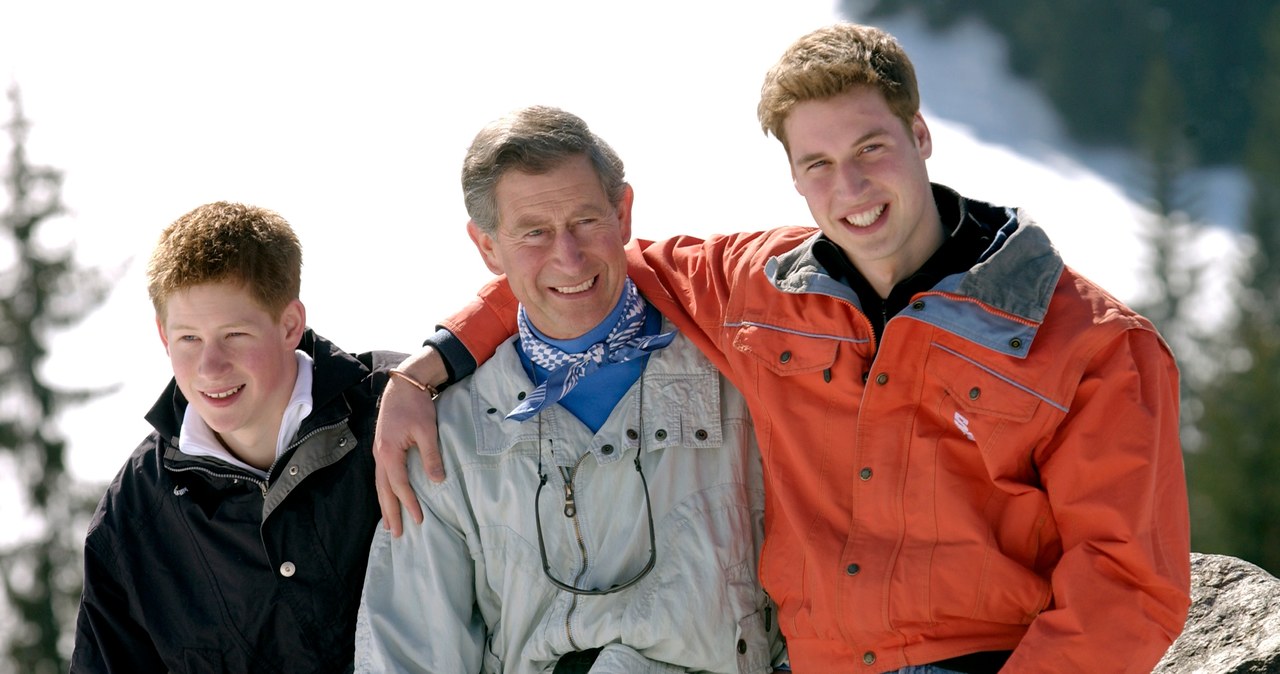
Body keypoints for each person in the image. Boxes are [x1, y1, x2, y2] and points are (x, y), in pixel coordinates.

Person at [373, 23, 1192, 673]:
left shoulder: (1090, 342)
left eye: (872, 148)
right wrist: (432, 363)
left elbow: (1128, 583)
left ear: (921, 133)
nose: (853, 189)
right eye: (819, 164)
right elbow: (580, 273)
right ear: (795, 177)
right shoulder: (754, 290)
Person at [355, 105, 783, 674]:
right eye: (534, 232)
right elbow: (408, 651)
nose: (568, 256)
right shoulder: (446, 436)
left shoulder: (743, 379)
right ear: (487, 247)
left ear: (623, 212)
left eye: (586, 221)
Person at [70, 202, 404, 672]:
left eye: (234, 335)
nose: (210, 367)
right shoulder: (135, 514)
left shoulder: (398, 409)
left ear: (290, 325)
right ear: (164, 336)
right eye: (189, 339)